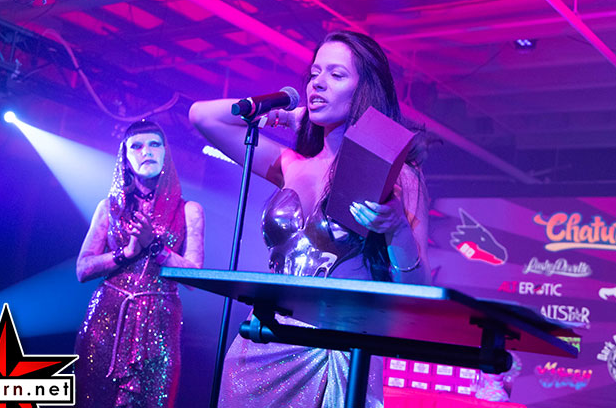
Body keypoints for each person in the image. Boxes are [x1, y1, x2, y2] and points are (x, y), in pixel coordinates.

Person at [189, 30, 430, 407]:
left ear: (364, 90)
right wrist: (294, 116)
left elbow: (417, 288)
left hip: (337, 350)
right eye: (314, 73)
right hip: (261, 343)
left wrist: (397, 228)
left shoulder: (400, 177)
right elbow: (202, 116)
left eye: (336, 74)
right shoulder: (291, 164)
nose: (317, 83)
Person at [74, 119, 204, 408]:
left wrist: (155, 247)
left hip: (159, 323)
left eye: (155, 144)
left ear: (166, 153)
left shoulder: (190, 210)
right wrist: (127, 252)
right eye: (137, 146)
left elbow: (195, 278)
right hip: (106, 320)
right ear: (125, 157)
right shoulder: (108, 207)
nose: (147, 151)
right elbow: (82, 269)